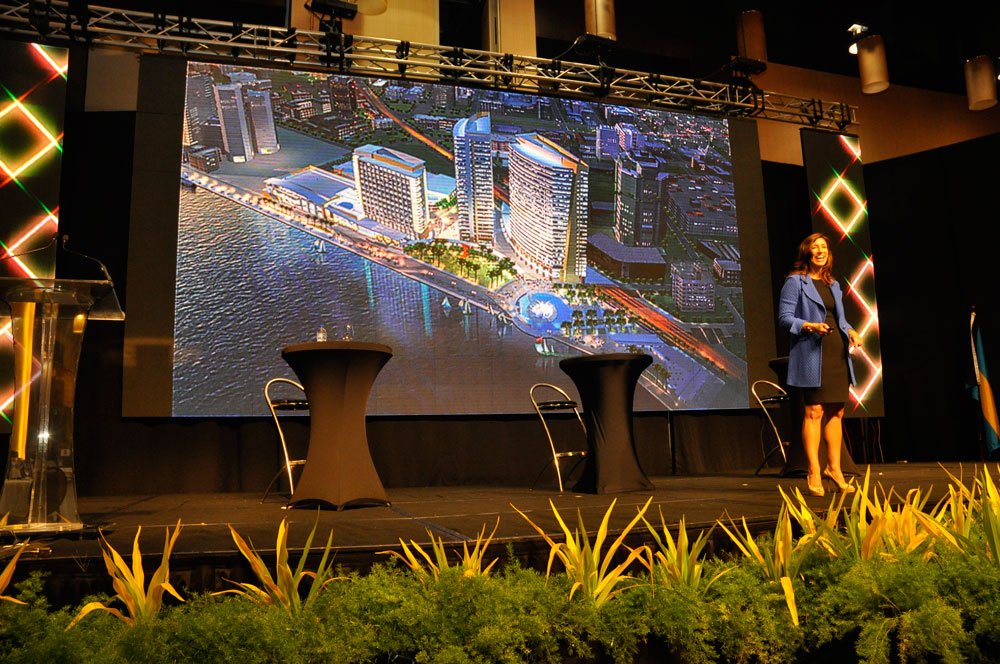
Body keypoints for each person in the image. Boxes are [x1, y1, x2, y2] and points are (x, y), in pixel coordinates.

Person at [778, 233, 862, 496]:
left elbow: (840, 319)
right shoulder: (795, 282)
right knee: (814, 411)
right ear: (807, 252)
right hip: (812, 351)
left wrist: (851, 330)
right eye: (815, 247)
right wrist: (809, 325)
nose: (820, 251)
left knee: (837, 411)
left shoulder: (833, 284)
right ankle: (814, 471)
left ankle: (834, 469)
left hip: (837, 351)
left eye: (823, 247)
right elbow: (785, 318)